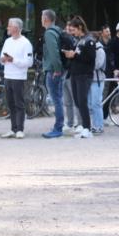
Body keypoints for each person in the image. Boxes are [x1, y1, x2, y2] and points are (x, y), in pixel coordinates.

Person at [63, 16, 97, 138]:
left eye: (73, 29)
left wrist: (74, 56)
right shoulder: (78, 40)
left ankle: (87, 127)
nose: (72, 32)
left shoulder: (89, 40)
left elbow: (90, 59)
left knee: (82, 101)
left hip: (85, 75)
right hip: (75, 74)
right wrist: (70, 55)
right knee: (77, 101)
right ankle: (83, 126)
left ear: (80, 27)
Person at [0, 18, 33, 139]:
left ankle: (20, 129)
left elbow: (29, 62)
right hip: (7, 75)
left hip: (19, 77)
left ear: (16, 28)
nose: (7, 28)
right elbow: (1, 57)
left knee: (19, 103)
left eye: (9, 26)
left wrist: (14, 60)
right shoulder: (7, 41)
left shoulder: (26, 43)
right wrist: (3, 60)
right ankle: (13, 128)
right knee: (10, 103)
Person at [40, 9, 66, 139]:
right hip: (57, 70)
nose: (41, 20)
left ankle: (58, 128)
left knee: (56, 100)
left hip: (53, 70)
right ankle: (59, 125)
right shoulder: (58, 30)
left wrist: (57, 69)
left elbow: (54, 53)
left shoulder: (49, 33)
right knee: (59, 99)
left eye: (42, 17)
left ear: (46, 19)